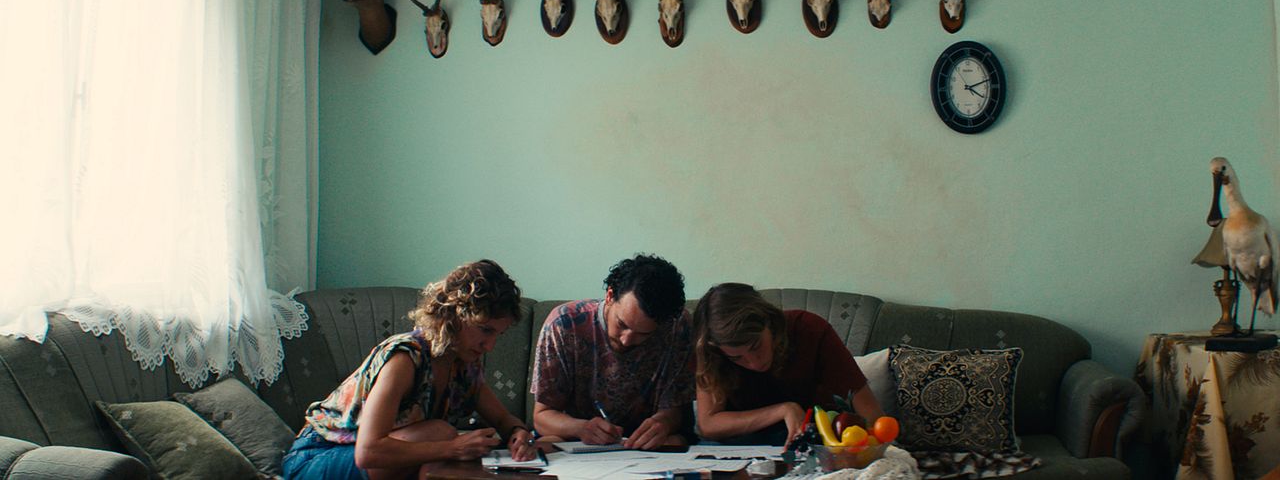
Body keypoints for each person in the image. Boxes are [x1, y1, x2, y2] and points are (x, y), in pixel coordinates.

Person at [282, 260, 538, 480]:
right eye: (485, 330)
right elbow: (368, 452)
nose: (490, 346)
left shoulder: (464, 366)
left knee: (440, 453)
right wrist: (453, 448)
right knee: (440, 435)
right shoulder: (405, 358)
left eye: (498, 335)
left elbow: (503, 420)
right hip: (315, 459)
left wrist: (518, 435)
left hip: (370, 463)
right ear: (455, 315)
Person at [530, 254, 695, 450]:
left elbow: (675, 409)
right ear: (609, 296)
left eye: (644, 334)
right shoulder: (564, 324)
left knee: (677, 441)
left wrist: (664, 422)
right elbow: (542, 416)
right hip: (579, 442)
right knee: (546, 444)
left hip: (645, 448)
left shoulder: (678, 326)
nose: (626, 340)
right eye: (622, 324)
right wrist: (581, 428)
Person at [692, 283, 884, 446]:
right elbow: (708, 424)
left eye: (756, 346)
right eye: (736, 358)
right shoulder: (711, 352)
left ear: (770, 322)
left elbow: (871, 413)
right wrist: (783, 410)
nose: (754, 362)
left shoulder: (810, 330)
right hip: (743, 448)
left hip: (815, 442)